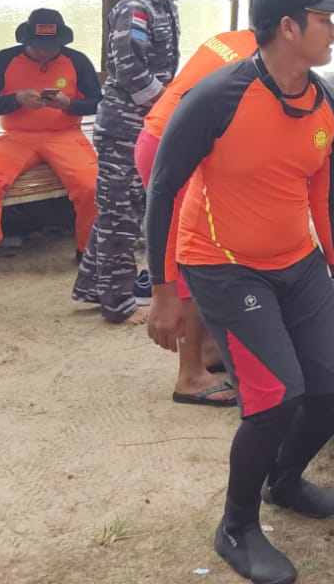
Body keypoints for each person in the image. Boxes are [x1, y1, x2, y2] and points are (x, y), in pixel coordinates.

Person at [145, 0, 334, 584]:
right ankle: (236, 526)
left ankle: (283, 483)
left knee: (329, 388)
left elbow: (330, 199)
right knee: (274, 397)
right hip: (221, 261)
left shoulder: (329, 104)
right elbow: (162, 191)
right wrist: (164, 294)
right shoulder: (217, 98)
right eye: (325, 18)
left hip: (297, 261)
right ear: (289, 28)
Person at [135, 27, 259, 408]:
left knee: (196, 254)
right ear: (289, 27)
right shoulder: (258, 64)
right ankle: (189, 376)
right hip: (177, 149)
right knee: (192, 259)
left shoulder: (235, 38)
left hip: (157, 136)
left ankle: (206, 349)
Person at [73, 0, 191, 323]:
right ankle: (118, 303)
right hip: (124, 126)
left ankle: (94, 285)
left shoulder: (165, 5)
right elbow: (128, 69)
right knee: (120, 216)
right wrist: (168, 104)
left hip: (144, 124)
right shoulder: (136, 9)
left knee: (121, 209)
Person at [0, 8, 101, 300]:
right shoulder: (5, 60)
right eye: (40, 47)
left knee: (92, 184)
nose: (47, 53)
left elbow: (98, 102)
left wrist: (68, 105)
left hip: (64, 135)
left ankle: (87, 252)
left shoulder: (77, 61)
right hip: (16, 137)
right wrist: (16, 99)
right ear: (27, 40)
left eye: (53, 47)